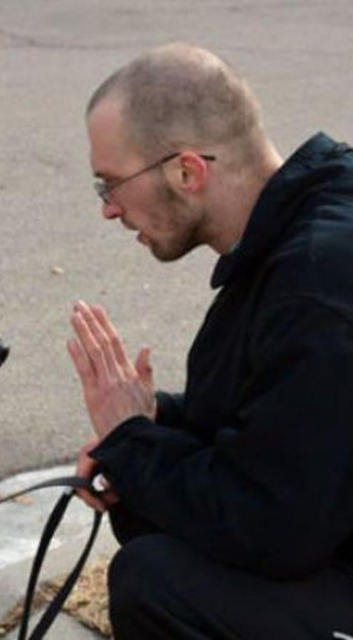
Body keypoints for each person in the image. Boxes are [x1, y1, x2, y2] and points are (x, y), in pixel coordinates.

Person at [67, 42, 353, 639]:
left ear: (187, 172)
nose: (109, 211)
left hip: (313, 536)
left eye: (110, 185)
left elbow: (278, 530)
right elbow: (277, 429)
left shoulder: (315, 284)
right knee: (148, 506)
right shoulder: (306, 227)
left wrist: (137, 446)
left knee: (157, 582)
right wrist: (148, 426)